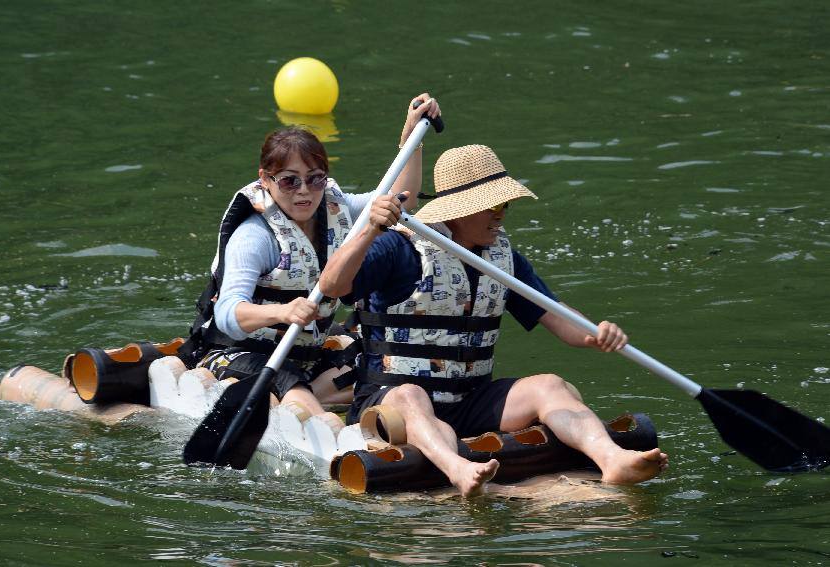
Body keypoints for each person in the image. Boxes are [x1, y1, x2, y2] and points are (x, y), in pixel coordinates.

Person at [319, 144, 669, 496]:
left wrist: (597, 334)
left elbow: (561, 320)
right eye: (494, 204)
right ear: (459, 209)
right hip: (390, 400)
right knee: (410, 395)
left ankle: (611, 460)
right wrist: (369, 232)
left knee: (549, 385)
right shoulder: (399, 248)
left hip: (470, 402)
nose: (502, 214)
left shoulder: (503, 260)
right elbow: (332, 285)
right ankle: (457, 469)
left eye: (505, 203)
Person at [178, 94, 441, 418]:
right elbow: (229, 316)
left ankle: (299, 406)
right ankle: (321, 428)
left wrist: (411, 140)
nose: (304, 191)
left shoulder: (335, 207)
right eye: (289, 181)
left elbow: (401, 198)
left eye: (315, 179)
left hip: (304, 356)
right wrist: (284, 312)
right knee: (288, 382)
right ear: (266, 179)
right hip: (234, 354)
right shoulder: (254, 236)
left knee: (367, 358)